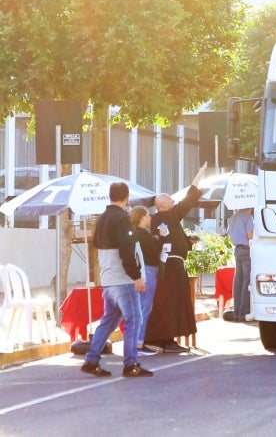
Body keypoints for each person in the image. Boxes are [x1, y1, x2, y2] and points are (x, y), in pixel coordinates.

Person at [80, 182, 152, 378]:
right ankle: (131, 364)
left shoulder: (102, 218)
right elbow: (126, 250)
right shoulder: (122, 218)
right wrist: (137, 276)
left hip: (108, 277)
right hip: (123, 279)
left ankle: (92, 359)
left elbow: (95, 242)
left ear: (110, 196)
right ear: (127, 197)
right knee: (134, 319)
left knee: (109, 320)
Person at [145, 162, 207, 353]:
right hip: (171, 266)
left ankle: (165, 337)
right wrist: (198, 177)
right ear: (164, 205)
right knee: (172, 301)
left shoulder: (156, 220)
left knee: (168, 301)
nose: (174, 202)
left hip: (165, 265)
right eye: (171, 200)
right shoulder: (169, 216)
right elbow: (189, 200)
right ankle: (166, 338)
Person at [130, 205, 161, 356]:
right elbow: (153, 253)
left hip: (140, 271)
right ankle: (139, 344)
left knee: (140, 307)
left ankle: (136, 342)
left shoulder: (134, 234)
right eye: (148, 215)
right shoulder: (143, 234)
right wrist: (158, 238)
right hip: (148, 270)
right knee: (145, 307)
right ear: (142, 217)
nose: (150, 218)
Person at [227, 208, 254, 322]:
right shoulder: (248, 217)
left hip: (237, 250)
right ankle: (243, 312)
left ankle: (236, 311)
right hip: (246, 249)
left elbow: (229, 234)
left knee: (237, 280)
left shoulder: (232, 218)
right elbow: (250, 236)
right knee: (246, 281)